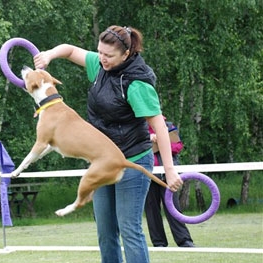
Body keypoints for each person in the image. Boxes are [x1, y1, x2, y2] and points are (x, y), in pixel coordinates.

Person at [34, 25, 183, 263]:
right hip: (102, 161)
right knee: (105, 231)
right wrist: (50, 54)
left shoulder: (136, 84)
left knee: (129, 229)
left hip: (132, 159)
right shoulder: (100, 66)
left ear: (126, 54)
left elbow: (160, 127)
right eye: (100, 52)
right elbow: (71, 50)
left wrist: (169, 169)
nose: (102, 58)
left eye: (109, 55)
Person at [145, 117, 195, 247]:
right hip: (148, 175)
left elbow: (178, 146)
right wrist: (150, 139)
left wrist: (160, 142)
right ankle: (159, 242)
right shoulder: (138, 128)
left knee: (173, 208)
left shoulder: (168, 125)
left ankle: (184, 240)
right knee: (151, 210)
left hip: (168, 176)